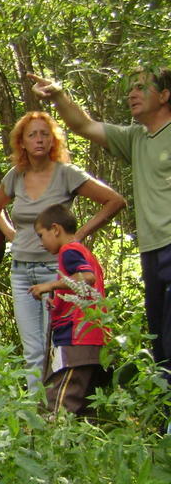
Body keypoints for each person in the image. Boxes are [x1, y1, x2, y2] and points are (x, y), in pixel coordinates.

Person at [30, 67, 171, 380]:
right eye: (130, 87)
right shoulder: (135, 137)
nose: (131, 94)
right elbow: (83, 125)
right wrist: (56, 94)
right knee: (161, 338)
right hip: (151, 250)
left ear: (164, 95)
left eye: (141, 88)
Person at [0, 111, 125, 390]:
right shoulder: (16, 175)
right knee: (33, 349)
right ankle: (34, 415)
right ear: (22, 143)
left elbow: (114, 201)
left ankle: (58, 409)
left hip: (57, 269)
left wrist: (80, 235)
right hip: (22, 270)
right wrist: (10, 234)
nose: (39, 139)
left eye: (44, 134)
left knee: (58, 345)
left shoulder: (67, 174)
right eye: (32, 135)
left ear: (53, 140)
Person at [28, 204, 110, 417]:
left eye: (41, 235)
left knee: (60, 401)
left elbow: (87, 278)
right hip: (94, 339)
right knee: (85, 405)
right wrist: (59, 300)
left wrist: (50, 286)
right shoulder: (84, 253)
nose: (41, 242)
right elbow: (85, 289)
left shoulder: (69, 250)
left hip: (77, 340)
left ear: (55, 229)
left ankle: (51, 445)